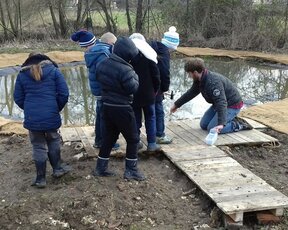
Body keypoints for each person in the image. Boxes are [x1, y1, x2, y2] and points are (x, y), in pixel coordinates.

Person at [13, 53, 70, 188]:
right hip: (51, 114)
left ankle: (40, 179)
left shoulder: (22, 75)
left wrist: (28, 109)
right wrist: (56, 108)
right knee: (53, 139)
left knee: (38, 145)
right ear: (45, 60)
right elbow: (64, 94)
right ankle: (57, 169)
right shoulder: (54, 71)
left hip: (32, 117)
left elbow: (18, 98)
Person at [93, 36, 145, 181]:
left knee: (109, 138)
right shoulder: (126, 69)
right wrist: (135, 75)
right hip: (122, 108)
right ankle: (131, 171)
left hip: (106, 106)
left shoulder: (103, 63)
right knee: (133, 139)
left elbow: (99, 79)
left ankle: (100, 168)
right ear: (127, 54)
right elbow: (132, 88)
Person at [170, 58, 252, 134]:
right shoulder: (199, 79)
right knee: (203, 125)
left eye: (189, 73)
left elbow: (221, 102)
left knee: (212, 128)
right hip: (219, 104)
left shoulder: (213, 83)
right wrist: (176, 105)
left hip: (232, 105)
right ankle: (228, 119)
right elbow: (191, 93)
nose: (189, 76)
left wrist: (221, 123)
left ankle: (237, 124)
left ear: (195, 72)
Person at [70, 30, 120, 150]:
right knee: (105, 117)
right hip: (104, 90)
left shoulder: (93, 53)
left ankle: (99, 140)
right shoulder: (102, 54)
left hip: (98, 90)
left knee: (100, 115)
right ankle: (105, 143)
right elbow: (106, 74)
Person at [129, 33, 161, 152]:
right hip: (149, 94)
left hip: (133, 93)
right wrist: (155, 91)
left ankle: (136, 142)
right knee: (150, 118)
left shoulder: (128, 58)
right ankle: (152, 144)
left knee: (135, 118)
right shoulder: (150, 57)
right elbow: (156, 77)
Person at [149, 26, 180, 144]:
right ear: (172, 45)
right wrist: (164, 88)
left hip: (144, 85)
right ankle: (159, 135)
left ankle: (149, 135)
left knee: (147, 111)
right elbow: (164, 73)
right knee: (158, 110)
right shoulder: (164, 53)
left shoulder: (153, 47)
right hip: (155, 87)